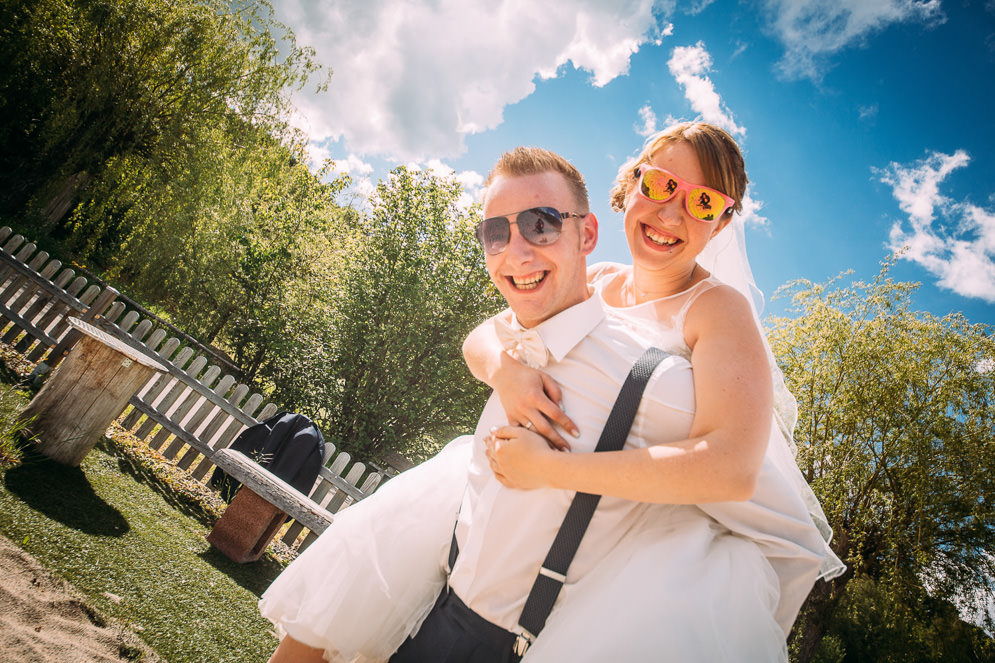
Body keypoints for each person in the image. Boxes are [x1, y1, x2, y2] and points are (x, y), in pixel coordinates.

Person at [260, 135, 841, 662]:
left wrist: (554, 470)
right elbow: (485, 334)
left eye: (703, 202)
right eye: (661, 184)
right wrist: (506, 373)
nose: (670, 211)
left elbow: (732, 467)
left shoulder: (718, 311)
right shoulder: (594, 277)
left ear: (722, 222)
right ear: (630, 186)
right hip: (489, 522)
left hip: (595, 567)